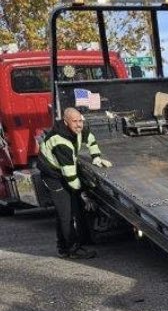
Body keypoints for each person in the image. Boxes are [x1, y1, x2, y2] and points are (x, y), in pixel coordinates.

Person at [37, 107, 112, 259]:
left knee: (73, 208)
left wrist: (96, 156)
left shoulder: (78, 129)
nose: (79, 125)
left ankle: (64, 247)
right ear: (65, 122)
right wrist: (84, 195)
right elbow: (70, 177)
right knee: (66, 213)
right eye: (74, 121)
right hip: (53, 176)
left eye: (80, 121)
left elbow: (90, 138)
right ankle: (72, 249)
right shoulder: (61, 142)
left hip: (65, 170)